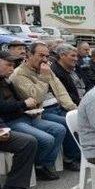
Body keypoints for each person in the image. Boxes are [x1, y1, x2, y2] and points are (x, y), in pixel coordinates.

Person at [10, 42, 81, 170]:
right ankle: (69, 158)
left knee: (78, 118)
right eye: (41, 55)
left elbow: (61, 91)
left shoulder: (46, 69)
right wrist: (43, 77)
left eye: (47, 56)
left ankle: (79, 154)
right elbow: (35, 97)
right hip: (40, 112)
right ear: (29, 55)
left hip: (58, 106)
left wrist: (73, 108)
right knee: (65, 124)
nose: (44, 59)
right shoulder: (19, 74)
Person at [0, 51, 62, 183]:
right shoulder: (14, 77)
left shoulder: (6, 81)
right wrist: (24, 103)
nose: (12, 68)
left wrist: (27, 107)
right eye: (8, 64)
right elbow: (3, 107)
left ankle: (42, 165)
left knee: (58, 129)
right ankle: (36, 165)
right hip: (10, 122)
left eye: (13, 65)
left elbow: (18, 101)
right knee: (46, 139)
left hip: (24, 117)